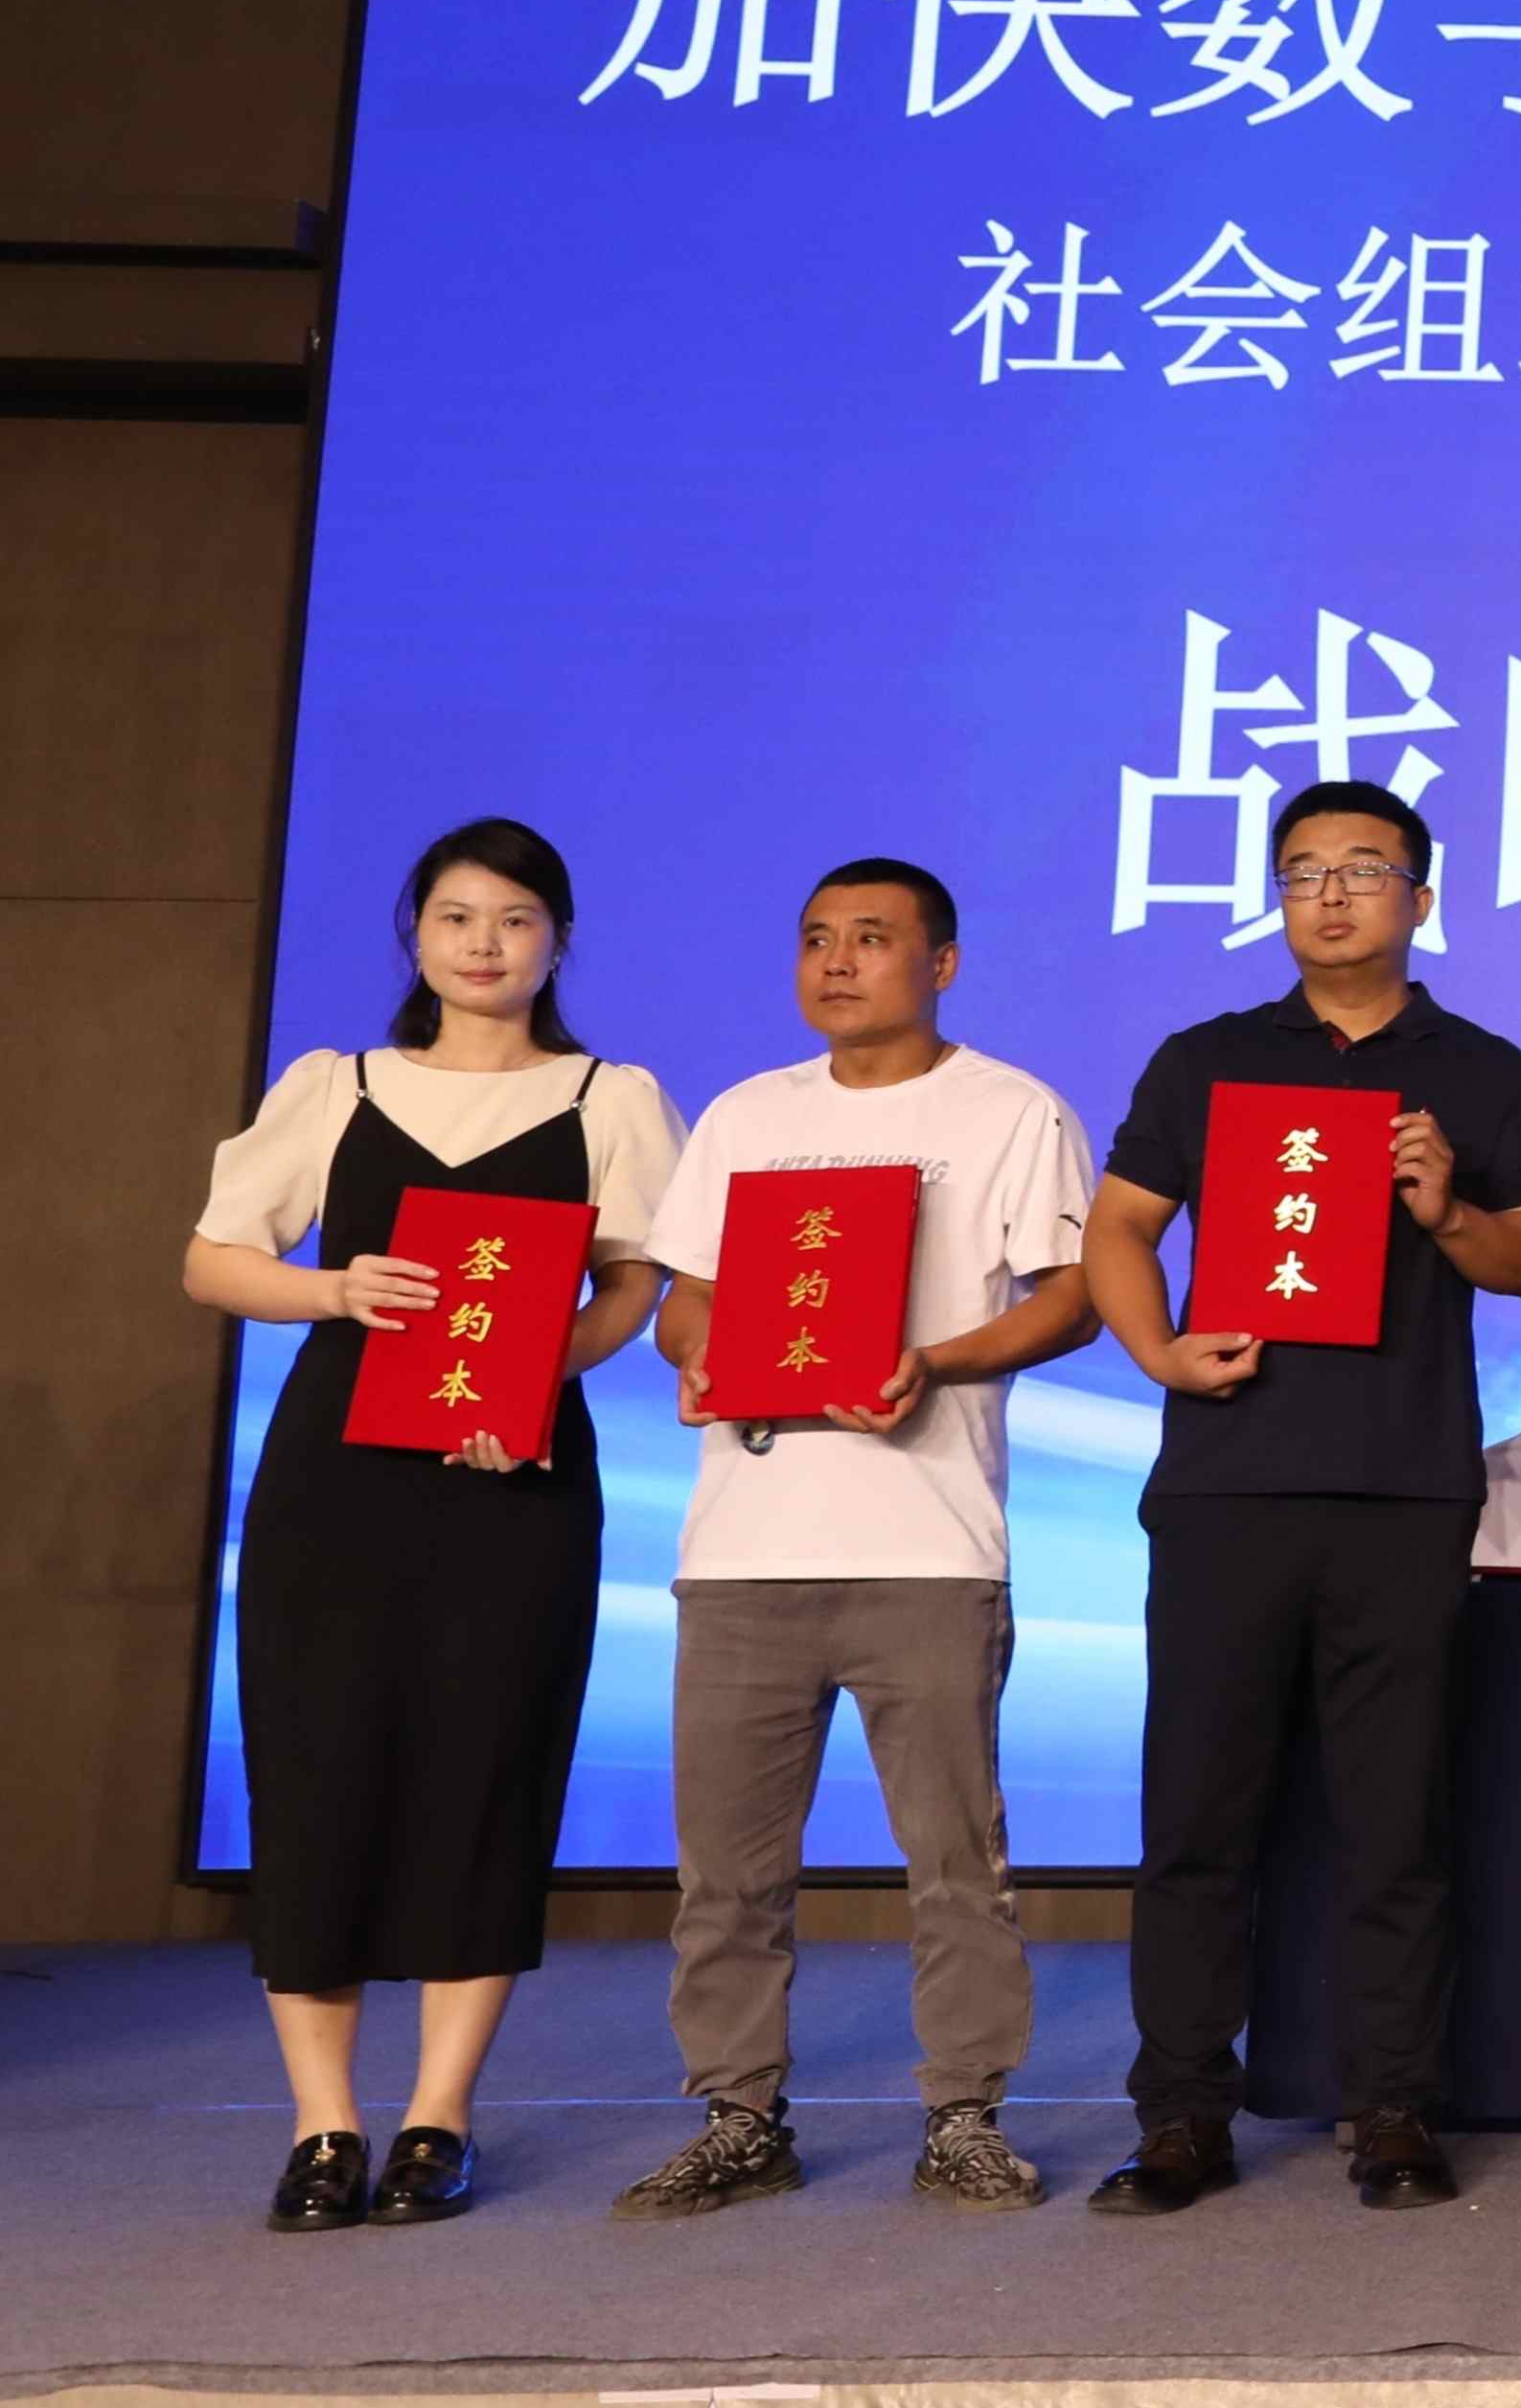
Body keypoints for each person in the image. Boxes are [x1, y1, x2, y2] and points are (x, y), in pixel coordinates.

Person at [182, 817, 680, 2231]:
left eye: (515, 918)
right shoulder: (333, 1085)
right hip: (335, 1481)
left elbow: (640, 1279)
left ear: (557, 940)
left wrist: (543, 1372)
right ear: (416, 934)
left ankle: (437, 2118)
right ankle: (322, 2125)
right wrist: (334, 1291)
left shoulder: (612, 1096)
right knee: (317, 1771)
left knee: (485, 1774)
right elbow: (213, 1259)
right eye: (456, 916)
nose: (484, 943)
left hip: (513, 1479)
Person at [1078, 780, 1521, 2214]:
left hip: (1404, 1491)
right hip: (1227, 1484)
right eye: (1303, 871)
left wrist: (1446, 1210)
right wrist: (1160, 1349)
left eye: (1363, 869)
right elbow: (1119, 1226)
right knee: (1197, 1814)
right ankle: (1182, 2111)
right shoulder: (1209, 1059)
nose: (1332, 894)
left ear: (1422, 897)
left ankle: (1394, 2105)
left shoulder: (1482, 1070)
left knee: (1395, 1818)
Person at [614, 857, 1100, 2221]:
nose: (837, 960)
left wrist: (934, 1361)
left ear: (942, 963)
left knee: (954, 1863)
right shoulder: (747, 1113)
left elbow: (1072, 1298)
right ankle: (739, 2115)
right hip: (741, 1549)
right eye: (817, 937)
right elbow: (685, 1301)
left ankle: (964, 2114)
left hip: (927, 1547)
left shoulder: (1010, 1108)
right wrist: (698, 1356)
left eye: (873, 937)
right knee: (726, 1871)